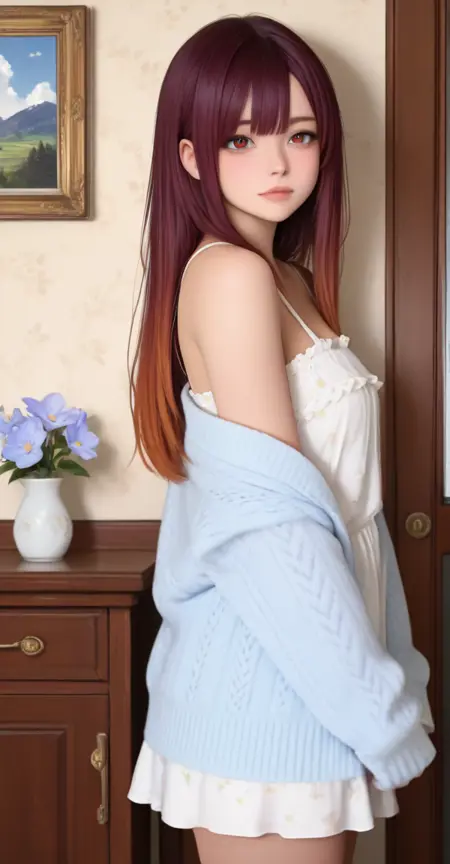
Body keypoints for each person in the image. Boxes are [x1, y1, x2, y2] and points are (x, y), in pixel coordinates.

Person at [128, 14, 435, 864]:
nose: (277, 164)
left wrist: (389, 682)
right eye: (241, 138)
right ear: (190, 155)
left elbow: (354, 518)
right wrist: (382, 712)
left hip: (311, 673)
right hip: (265, 682)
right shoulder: (231, 276)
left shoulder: (285, 277)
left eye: (299, 135)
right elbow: (271, 529)